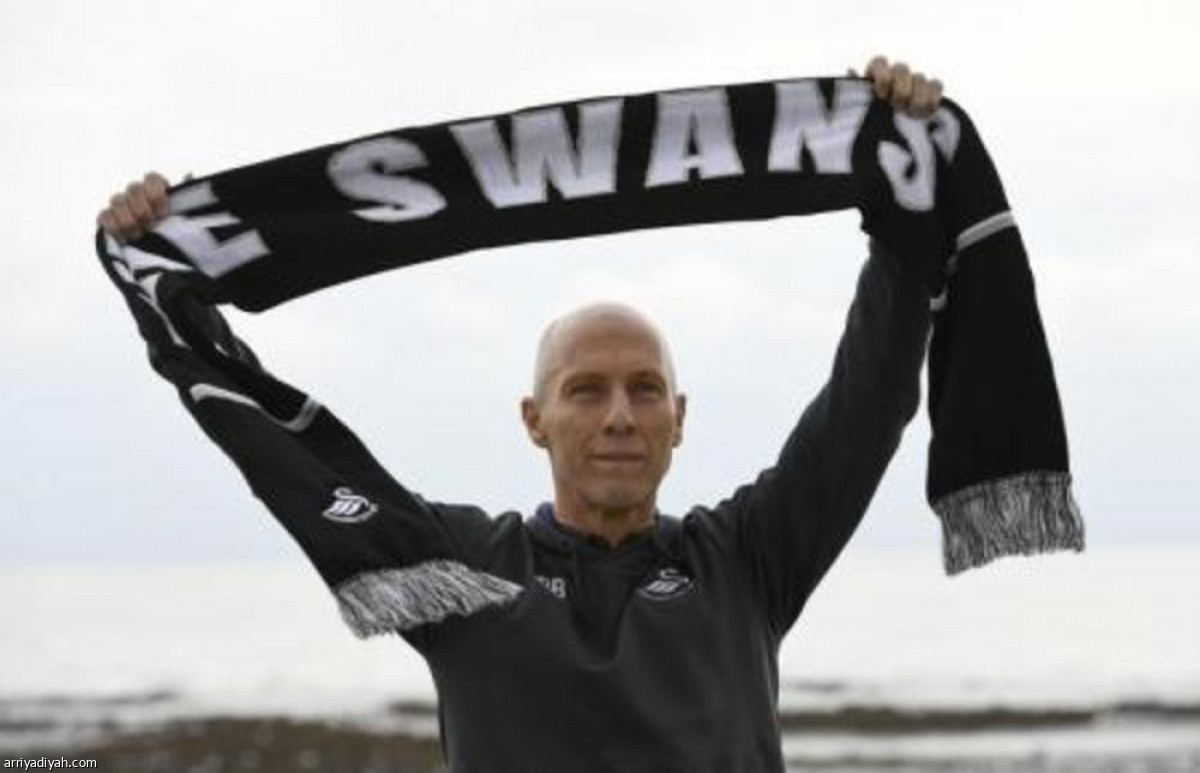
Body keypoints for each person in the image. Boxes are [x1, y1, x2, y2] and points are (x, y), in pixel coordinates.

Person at [98, 57, 944, 773]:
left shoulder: (748, 560)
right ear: (535, 419)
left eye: (645, 389)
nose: (620, 415)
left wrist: (900, 184)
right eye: (587, 390)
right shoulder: (462, 568)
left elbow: (868, 402)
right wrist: (166, 279)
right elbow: (284, 452)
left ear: (679, 417)